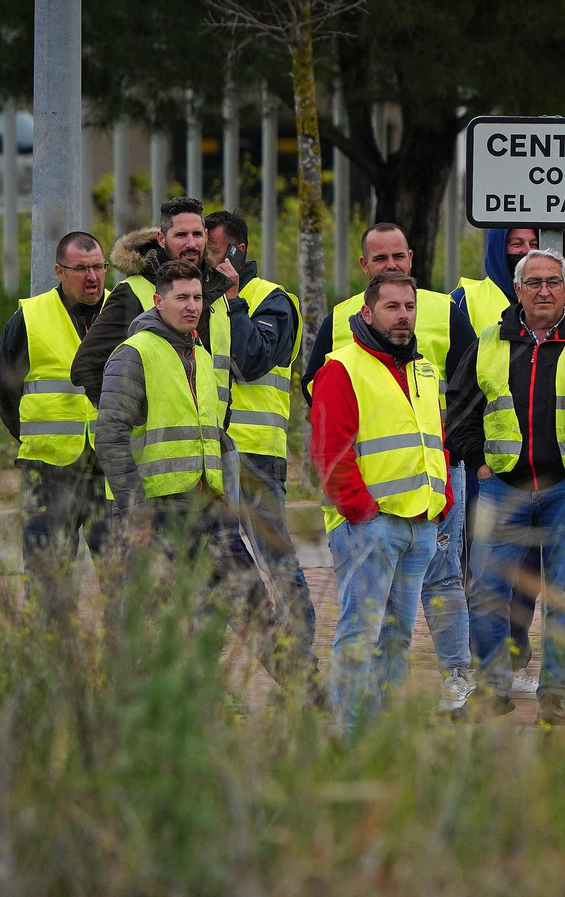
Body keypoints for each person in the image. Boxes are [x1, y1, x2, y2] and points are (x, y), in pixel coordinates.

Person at [448, 249, 565, 725]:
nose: (543, 291)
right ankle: (492, 690)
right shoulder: (489, 342)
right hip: (502, 487)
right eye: (533, 282)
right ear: (517, 290)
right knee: (486, 591)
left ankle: (553, 693)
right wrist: (478, 462)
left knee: (563, 594)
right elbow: (459, 408)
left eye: (553, 281)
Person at [304, 223, 480, 713]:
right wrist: (361, 511)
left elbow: (435, 427)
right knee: (362, 630)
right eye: (392, 307)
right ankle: (351, 731)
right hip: (371, 522)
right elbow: (330, 448)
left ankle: (382, 726)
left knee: (398, 634)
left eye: (408, 307)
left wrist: (442, 495)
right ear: (368, 309)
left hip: (421, 516)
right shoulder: (342, 364)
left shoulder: (422, 363)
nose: (403, 315)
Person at [94, 260, 296, 687]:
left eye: (198, 298)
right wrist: (135, 510)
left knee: (253, 605)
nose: (192, 306)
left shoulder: (200, 355)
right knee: (150, 625)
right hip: (157, 514)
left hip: (208, 509)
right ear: (158, 301)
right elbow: (109, 437)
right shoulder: (133, 354)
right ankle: (130, 709)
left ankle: (306, 695)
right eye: (181, 297)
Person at [199, 210, 313, 664]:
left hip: (255, 454)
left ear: (237, 250)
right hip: (208, 453)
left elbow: (251, 361)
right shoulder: (198, 298)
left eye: (212, 249)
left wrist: (232, 299)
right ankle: (206, 668)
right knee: (212, 558)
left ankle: (302, 656)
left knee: (275, 559)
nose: (204, 258)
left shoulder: (272, 300)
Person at [449, 226, 548, 696]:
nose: (525, 252)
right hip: (487, 468)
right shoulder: (466, 299)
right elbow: (460, 384)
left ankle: (515, 659)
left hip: (542, 464)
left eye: (533, 243)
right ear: (497, 247)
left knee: (529, 568)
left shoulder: (553, 295)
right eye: (515, 244)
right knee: (483, 565)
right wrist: (474, 456)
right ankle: (482, 662)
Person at [0, 231, 112, 621]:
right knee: (49, 584)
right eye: (81, 269)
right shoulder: (29, 318)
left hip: (110, 471)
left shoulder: (125, 313)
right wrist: (38, 436)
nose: (92, 277)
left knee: (123, 580)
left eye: (98, 267)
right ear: (59, 271)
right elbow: (5, 392)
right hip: (48, 473)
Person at [70, 197, 233, 408]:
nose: (191, 244)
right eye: (181, 235)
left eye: (197, 234)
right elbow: (86, 366)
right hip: (155, 431)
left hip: (210, 429)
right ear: (162, 239)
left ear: (206, 236)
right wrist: (133, 414)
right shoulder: (133, 292)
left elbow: (221, 376)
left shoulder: (218, 292)